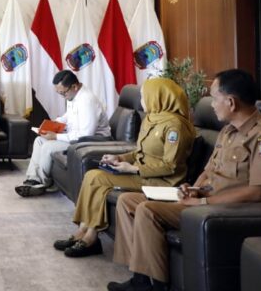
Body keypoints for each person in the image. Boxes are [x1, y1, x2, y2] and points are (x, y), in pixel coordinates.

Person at [108, 69, 261, 291]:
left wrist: (203, 202)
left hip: (224, 209)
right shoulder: (227, 132)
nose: (211, 105)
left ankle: (152, 285)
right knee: (127, 201)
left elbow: (258, 192)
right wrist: (193, 188)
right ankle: (141, 275)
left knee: (147, 210)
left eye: (214, 98)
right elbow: (209, 170)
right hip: (203, 200)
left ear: (231, 102)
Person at [53, 77, 196, 258]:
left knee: (98, 179)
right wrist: (119, 157)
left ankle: (91, 238)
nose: (141, 101)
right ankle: (84, 231)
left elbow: (171, 166)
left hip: (161, 181)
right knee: (92, 176)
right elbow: (139, 152)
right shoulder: (152, 118)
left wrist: (133, 169)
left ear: (157, 97)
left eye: (144, 96)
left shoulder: (176, 126)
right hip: (142, 174)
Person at [15, 70, 111, 197]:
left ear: (74, 86)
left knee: (48, 146)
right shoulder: (73, 95)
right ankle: (33, 179)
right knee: (39, 141)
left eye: (63, 93)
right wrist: (54, 123)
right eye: (59, 93)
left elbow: (85, 135)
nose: (62, 96)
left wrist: (56, 136)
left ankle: (41, 184)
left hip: (90, 141)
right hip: (75, 136)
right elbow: (68, 116)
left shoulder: (87, 101)